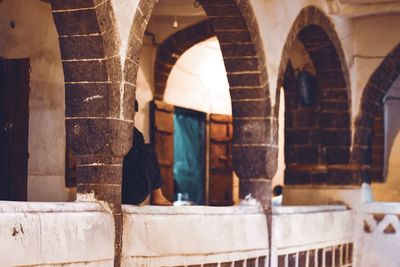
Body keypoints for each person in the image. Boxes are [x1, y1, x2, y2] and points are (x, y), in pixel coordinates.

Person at [122, 100, 171, 206]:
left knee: (145, 151)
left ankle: (158, 196)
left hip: (122, 190)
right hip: (128, 191)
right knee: (149, 151)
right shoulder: (133, 134)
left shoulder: (135, 134)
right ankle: (158, 196)